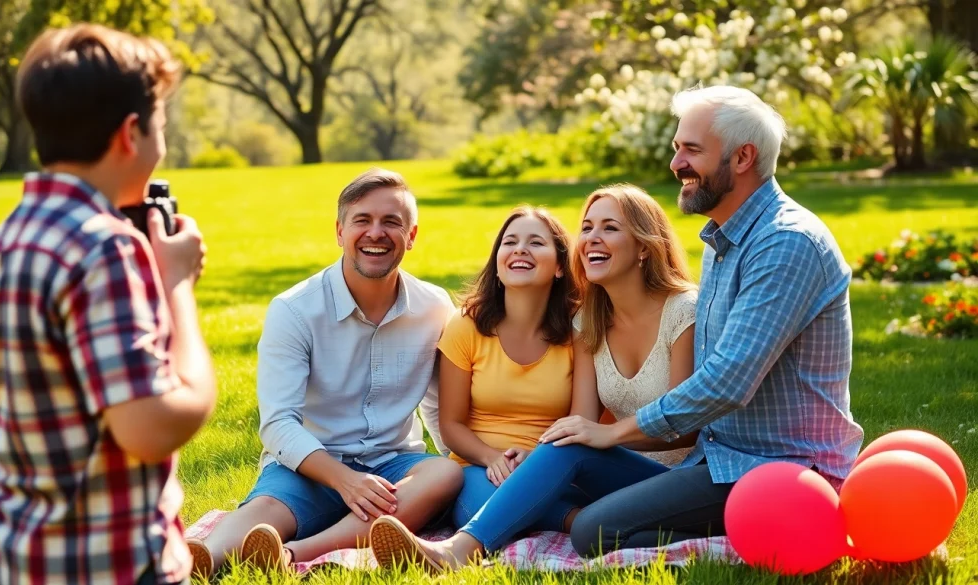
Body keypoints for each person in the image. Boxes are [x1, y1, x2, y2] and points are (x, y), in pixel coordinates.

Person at [369, 84, 865, 568]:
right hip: (719, 462)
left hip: (778, 470)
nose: (676, 164)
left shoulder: (786, 244)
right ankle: (458, 550)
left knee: (591, 529)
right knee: (573, 450)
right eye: (677, 149)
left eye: (691, 150)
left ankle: (470, 547)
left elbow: (727, 383)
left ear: (742, 158)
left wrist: (614, 434)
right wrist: (591, 433)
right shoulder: (724, 243)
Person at [0, 24, 216, 585]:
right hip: (115, 563)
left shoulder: (11, 235)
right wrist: (176, 284)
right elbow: (150, 427)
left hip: (33, 557)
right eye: (160, 125)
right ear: (130, 134)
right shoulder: (104, 247)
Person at [368, 186, 700, 570]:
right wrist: (520, 459)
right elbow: (578, 424)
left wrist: (591, 439)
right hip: (575, 474)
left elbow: (672, 425)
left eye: (609, 228)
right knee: (570, 520)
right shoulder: (588, 321)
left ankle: (459, 551)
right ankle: (600, 523)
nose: (592, 238)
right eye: (588, 227)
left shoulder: (667, 313)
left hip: (672, 476)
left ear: (644, 246)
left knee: (569, 441)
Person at [185, 168, 464, 577]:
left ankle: (293, 554)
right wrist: (345, 481)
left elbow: (438, 407)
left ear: (412, 236)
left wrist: (455, 472)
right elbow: (278, 424)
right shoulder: (294, 309)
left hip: (393, 467)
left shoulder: (435, 307)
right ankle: (204, 557)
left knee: (444, 472)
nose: (376, 233)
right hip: (311, 464)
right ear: (339, 231)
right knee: (265, 510)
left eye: (392, 222)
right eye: (362, 220)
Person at [426, 206, 587, 533]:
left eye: (536, 243)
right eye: (509, 242)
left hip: (553, 465)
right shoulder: (465, 325)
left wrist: (537, 460)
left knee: (529, 493)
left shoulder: (579, 328)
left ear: (560, 266)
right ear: (498, 264)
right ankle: (579, 522)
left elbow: (581, 422)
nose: (520, 249)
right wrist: (492, 458)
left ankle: (577, 518)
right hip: (478, 467)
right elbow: (451, 425)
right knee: (482, 502)